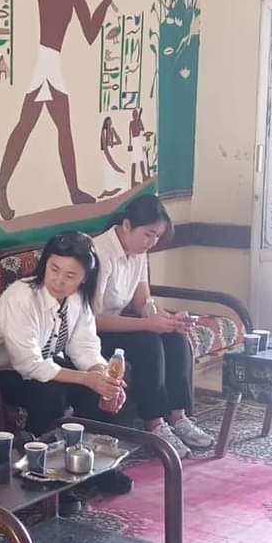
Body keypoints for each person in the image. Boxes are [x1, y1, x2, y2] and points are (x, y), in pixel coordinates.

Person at [0, 232, 131, 513]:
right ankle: (45, 477)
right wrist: (86, 379)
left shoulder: (79, 298)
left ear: (85, 277)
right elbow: (28, 364)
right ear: (44, 264)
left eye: (70, 275)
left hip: (46, 364)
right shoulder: (21, 296)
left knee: (102, 383)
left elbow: (84, 348)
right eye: (54, 269)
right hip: (1, 373)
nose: (59, 281)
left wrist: (102, 375)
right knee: (50, 389)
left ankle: (93, 464)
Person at [0, 0, 115, 221]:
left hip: (54, 64)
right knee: (25, 127)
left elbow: (90, 32)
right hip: (44, 63)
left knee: (63, 129)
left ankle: (74, 191)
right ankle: (2, 186)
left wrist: (104, 4)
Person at [92, 195, 214, 458]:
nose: (152, 242)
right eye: (148, 234)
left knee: (175, 337)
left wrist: (168, 320)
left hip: (119, 325)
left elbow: (142, 302)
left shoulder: (138, 252)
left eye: (157, 236)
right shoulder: (100, 252)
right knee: (147, 341)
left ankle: (178, 417)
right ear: (127, 226)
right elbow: (94, 318)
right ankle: (155, 424)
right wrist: (149, 324)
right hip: (93, 333)